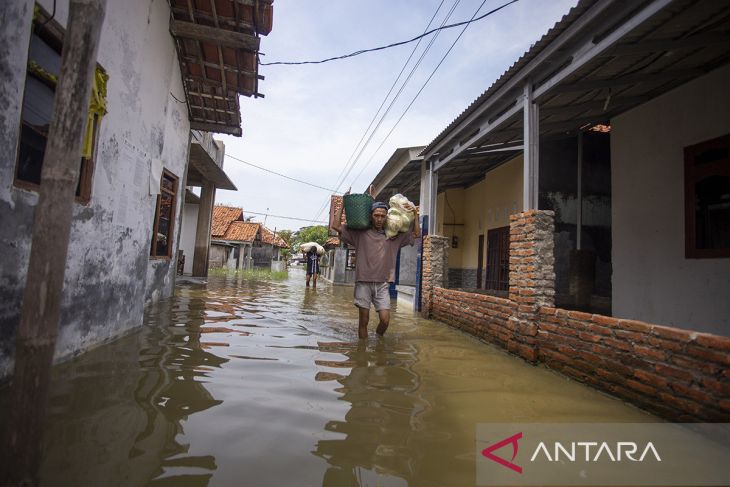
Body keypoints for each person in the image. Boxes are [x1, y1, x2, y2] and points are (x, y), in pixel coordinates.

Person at [331, 187, 419, 339]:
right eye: (376, 215)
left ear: (386, 218)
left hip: (383, 284)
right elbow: (336, 226)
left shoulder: (394, 237)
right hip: (363, 282)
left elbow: (416, 234)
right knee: (363, 321)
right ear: (371, 216)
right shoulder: (360, 234)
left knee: (385, 320)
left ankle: (378, 340)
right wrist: (343, 204)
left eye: (382, 216)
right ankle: (363, 355)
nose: (379, 219)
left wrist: (416, 215)